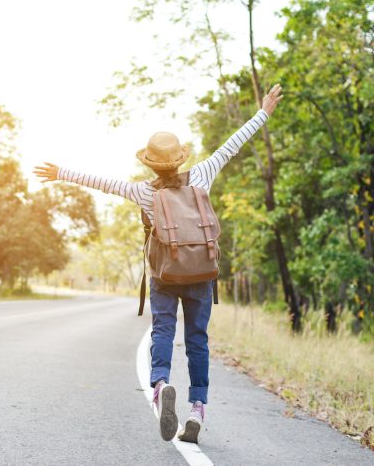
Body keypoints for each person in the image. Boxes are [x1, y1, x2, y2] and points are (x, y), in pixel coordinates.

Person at [33, 84, 283, 443]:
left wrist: (61, 173)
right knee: (198, 340)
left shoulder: (143, 191)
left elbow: (103, 183)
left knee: (163, 331)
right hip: (200, 272)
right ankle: (197, 408)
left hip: (165, 274)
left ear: (149, 162)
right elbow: (232, 145)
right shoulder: (202, 175)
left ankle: (161, 384)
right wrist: (262, 113)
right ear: (180, 158)